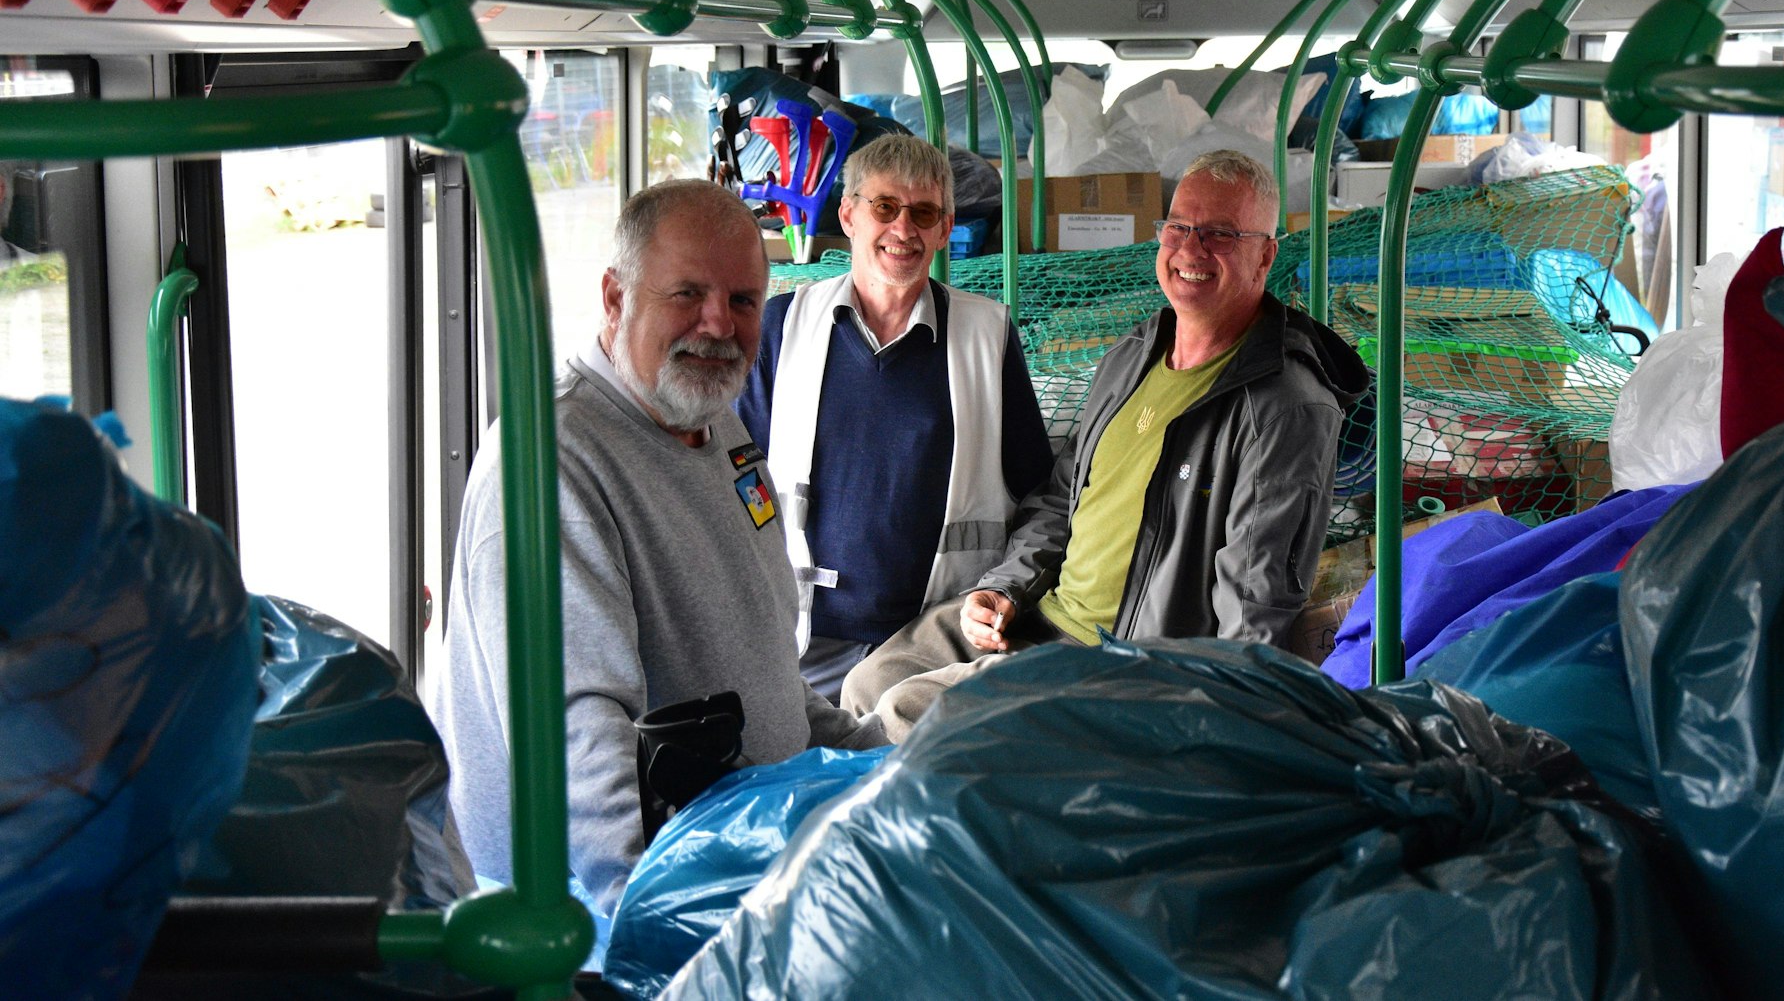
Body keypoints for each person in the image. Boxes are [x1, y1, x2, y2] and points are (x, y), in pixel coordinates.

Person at [426, 180, 885, 921]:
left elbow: (763, 663)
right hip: (588, 915)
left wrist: (871, 758)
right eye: (687, 293)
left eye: (742, 300)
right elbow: (576, 731)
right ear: (615, 297)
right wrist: (653, 922)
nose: (718, 325)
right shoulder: (551, 463)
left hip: (735, 864)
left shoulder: (713, 420)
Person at [842, 149, 1369, 738]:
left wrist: (1208, 734)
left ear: (1266, 255)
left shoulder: (1283, 406)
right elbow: (1060, 501)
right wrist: (1005, 588)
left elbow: (1254, 602)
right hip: (1040, 617)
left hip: (1118, 662)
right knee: (868, 681)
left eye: (1221, 234)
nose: (1192, 249)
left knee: (905, 715)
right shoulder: (1133, 355)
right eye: (1179, 227)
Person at [737, 135, 1053, 702]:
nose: (903, 230)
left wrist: (1005, 593)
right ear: (849, 214)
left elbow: (1041, 497)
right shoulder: (783, 329)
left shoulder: (987, 336)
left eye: (923, 213)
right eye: (884, 207)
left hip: (932, 647)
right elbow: (733, 487)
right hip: (804, 642)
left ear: (943, 226)